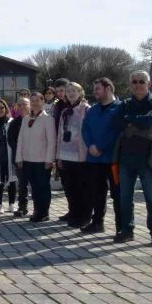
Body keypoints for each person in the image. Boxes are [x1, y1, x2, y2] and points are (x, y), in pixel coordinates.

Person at [114, 71, 152, 247]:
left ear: (149, 84)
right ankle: (127, 231)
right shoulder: (125, 104)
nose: (137, 84)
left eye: (141, 81)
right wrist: (137, 121)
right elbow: (117, 122)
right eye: (134, 82)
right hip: (126, 158)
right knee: (125, 197)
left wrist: (130, 121)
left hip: (149, 159)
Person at [80, 78, 121, 234]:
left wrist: (101, 146)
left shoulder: (120, 108)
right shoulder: (93, 110)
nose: (95, 92)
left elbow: (117, 132)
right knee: (96, 192)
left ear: (108, 89)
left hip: (114, 160)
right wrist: (91, 145)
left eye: (98, 89)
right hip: (95, 160)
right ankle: (97, 223)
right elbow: (85, 128)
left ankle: (122, 227)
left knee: (118, 193)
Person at [15, 92, 56, 223]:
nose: (34, 103)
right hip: (28, 159)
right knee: (34, 187)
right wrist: (19, 157)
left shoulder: (48, 119)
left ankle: (44, 212)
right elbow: (20, 139)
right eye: (32, 101)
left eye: (37, 101)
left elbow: (52, 141)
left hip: (42, 160)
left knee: (42, 187)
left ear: (43, 102)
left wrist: (49, 160)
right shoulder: (26, 119)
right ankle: (37, 210)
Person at [56, 82, 91, 228]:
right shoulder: (65, 111)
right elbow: (59, 135)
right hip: (65, 154)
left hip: (80, 155)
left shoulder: (86, 109)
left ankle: (84, 216)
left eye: (74, 91)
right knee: (69, 188)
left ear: (81, 92)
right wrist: (58, 155)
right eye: (68, 91)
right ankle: (73, 212)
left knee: (81, 187)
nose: (70, 93)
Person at [0, 99, 17, 214]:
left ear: (6, 108)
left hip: (10, 156)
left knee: (12, 180)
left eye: (2, 107)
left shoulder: (12, 122)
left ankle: (12, 204)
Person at [9, 97, 31, 217]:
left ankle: (39, 208)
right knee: (22, 184)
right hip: (19, 158)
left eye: (25, 104)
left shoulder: (36, 119)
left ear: (30, 105)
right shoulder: (15, 122)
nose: (22, 107)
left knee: (37, 183)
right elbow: (11, 140)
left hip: (35, 157)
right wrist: (20, 152)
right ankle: (23, 206)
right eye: (20, 104)